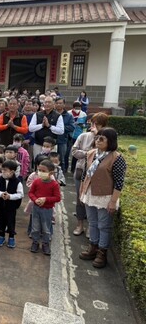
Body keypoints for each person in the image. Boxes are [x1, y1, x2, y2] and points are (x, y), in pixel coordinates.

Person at [78, 128, 126, 268]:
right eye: (97, 137)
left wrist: (113, 201)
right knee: (92, 223)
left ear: (110, 141)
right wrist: (82, 192)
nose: (97, 140)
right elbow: (85, 174)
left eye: (102, 139)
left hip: (105, 197)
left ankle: (102, 253)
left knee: (104, 226)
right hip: (90, 193)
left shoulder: (117, 158)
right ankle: (93, 247)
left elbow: (119, 182)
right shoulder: (91, 153)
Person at [71, 112, 109, 237]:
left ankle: (90, 227)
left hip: (98, 174)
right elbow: (74, 151)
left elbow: (107, 154)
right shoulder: (84, 136)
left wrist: (98, 137)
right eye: (93, 123)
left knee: (93, 200)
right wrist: (88, 153)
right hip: (82, 170)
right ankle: (80, 224)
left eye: (98, 124)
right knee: (80, 198)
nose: (94, 126)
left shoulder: (106, 138)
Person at [29, 159, 62, 255]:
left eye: (43, 171)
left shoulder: (54, 184)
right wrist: (35, 200)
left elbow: (57, 198)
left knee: (46, 228)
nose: (40, 173)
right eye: (39, 170)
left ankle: (45, 244)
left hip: (47, 210)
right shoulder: (36, 181)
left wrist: (45, 199)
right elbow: (31, 193)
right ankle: (35, 242)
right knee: (35, 227)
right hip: (36, 208)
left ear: (50, 172)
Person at [0, 160, 24, 248]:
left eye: (5, 170)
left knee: (11, 222)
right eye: (2, 170)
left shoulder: (17, 182)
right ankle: (1, 236)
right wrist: (0, 194)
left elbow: (20, 194)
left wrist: (10, 196)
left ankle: (11, 237)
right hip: (1, 206)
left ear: (12, 171)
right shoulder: (0, 179)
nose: (3, 172)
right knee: (1, 222)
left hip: (11, 207)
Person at [54, 98, 75, 172]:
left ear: (64, 105)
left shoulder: (68, 116)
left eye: (60, 103)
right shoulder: (52, 114)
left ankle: (62, 173)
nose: (58, 105)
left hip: (62, 140)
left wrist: (60, 128)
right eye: (57, 103)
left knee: (62, 158)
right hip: (52, 140)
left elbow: (72, 127)